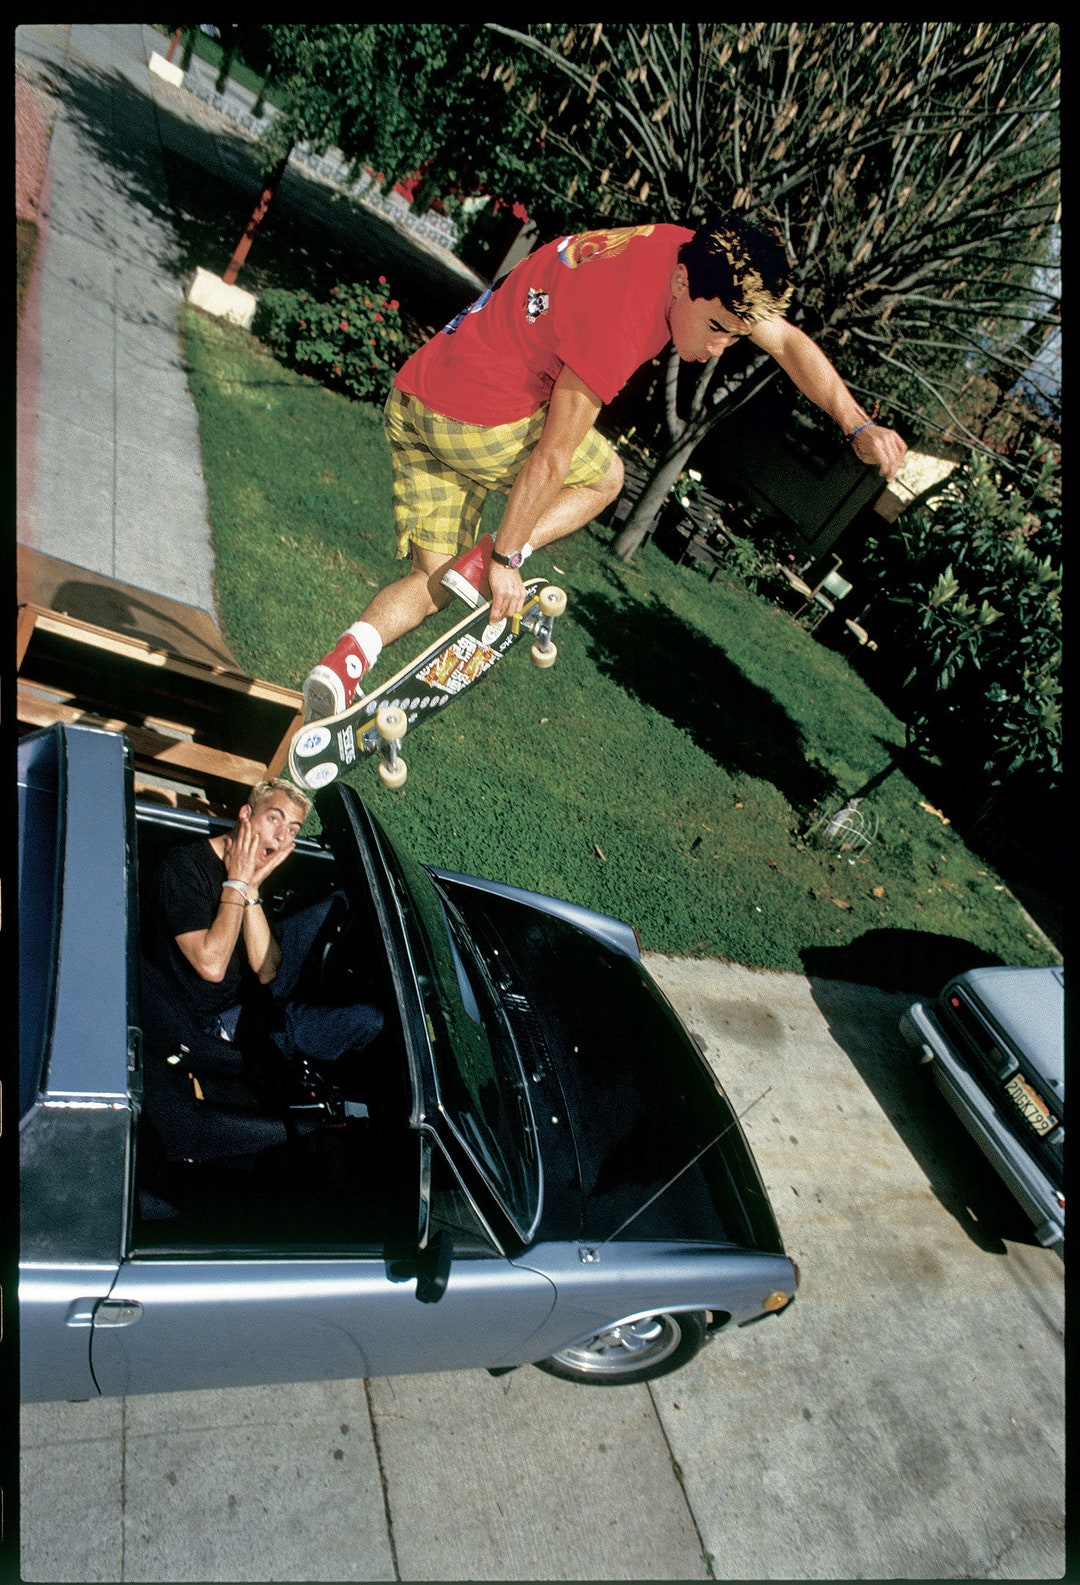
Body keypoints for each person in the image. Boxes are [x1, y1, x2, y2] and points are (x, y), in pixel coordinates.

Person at [302, 214, 908, 722]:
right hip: (477, 422)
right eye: (718, 328)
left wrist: (856, 423)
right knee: (604, 477)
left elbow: (790, 342)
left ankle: (344, 663)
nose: (721, 347)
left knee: (434, 584)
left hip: (416, 399)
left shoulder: (691, 252)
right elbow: (553, 458)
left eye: (736, 334)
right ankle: (487, 560)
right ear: (679, 284)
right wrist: (508, 559)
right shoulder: (622, 320)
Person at [148, 777, 383, 1094]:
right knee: (366, 1023)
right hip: (213, 1025)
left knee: (339, 904)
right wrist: (236, 883)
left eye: (293, 829)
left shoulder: (254, 874)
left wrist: (252, 888)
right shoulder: (184, 867)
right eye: (274, 818)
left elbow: (267, 970)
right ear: (245, 815)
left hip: (253, 1001)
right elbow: (212, 966)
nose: (281, 835)